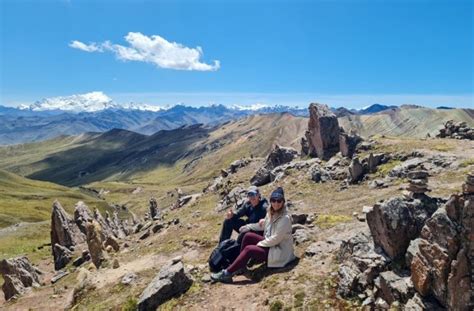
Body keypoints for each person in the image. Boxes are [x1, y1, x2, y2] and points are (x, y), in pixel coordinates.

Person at [211, 187, 295, 283]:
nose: (276, 203)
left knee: (249, 249)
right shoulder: (271, 212)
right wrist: (248, 226)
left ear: (283, 202)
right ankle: (240, 265)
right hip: (271, 246)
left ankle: (226, 273)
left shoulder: (285, 218)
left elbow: (276, 239)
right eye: (273, 200)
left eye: (279, 200)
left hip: (279, 252)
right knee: (247, 235)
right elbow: (263, 225)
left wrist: (259, 244)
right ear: (270, 200)